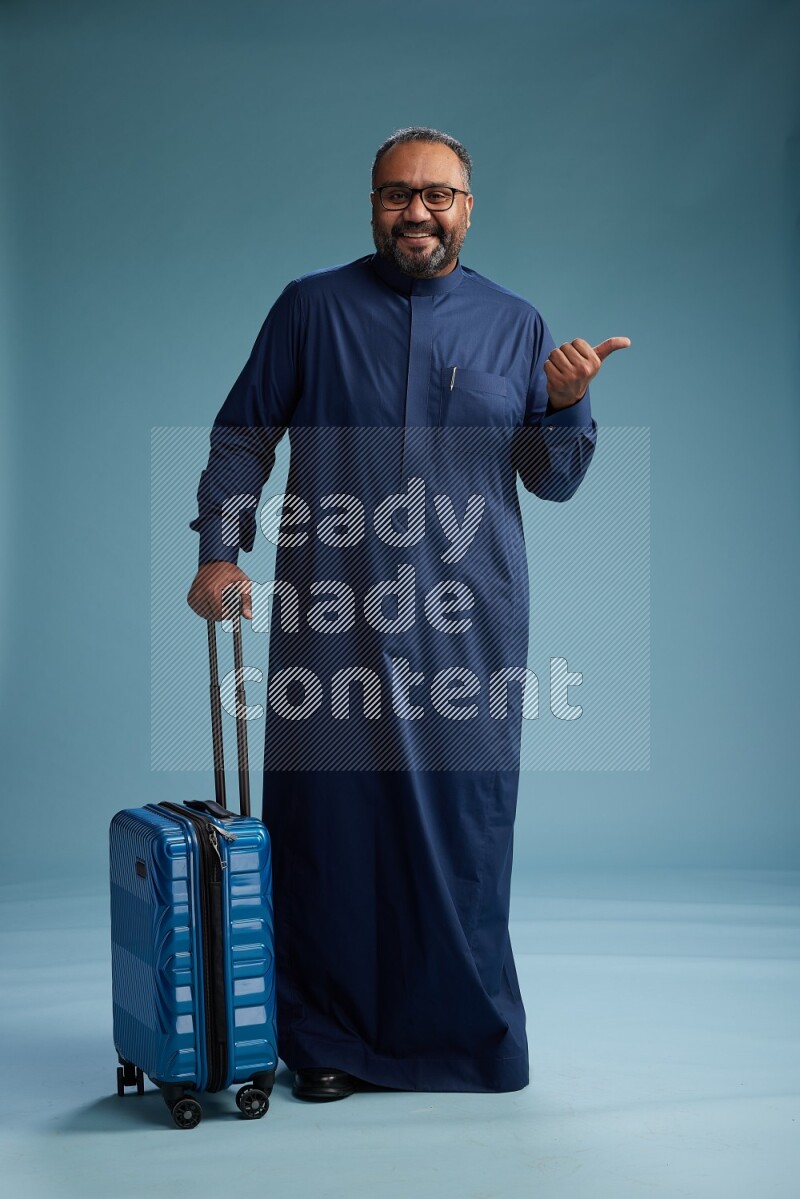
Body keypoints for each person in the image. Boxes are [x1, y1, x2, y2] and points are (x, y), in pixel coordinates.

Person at [187, 126, 629, 1101]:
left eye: (437, 195)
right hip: (330, 614)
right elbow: (244, 434)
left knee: (462, 827)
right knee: (331, 828)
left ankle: (465, 1040)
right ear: (373, 205)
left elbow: (550, 479)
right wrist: (219, 551)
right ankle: (329, 1038)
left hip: (467, 625)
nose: (416, 212)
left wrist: (563, 405)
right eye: (396, 194)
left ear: (468, 209)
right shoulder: (311, 309)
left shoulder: (514, 325)